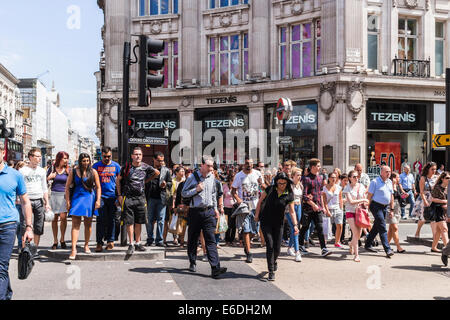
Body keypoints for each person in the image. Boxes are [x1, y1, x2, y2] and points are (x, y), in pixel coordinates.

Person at [181, 155, 227, 279]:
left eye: (212, 166)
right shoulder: (192, 177)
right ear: (202, 165)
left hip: (208, 212)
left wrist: (216, 209)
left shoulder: (212, 177)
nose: (211, 168)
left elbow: (213, 194)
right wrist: (196, 190)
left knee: (211, 240)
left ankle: (215, 268)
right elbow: (183, 193)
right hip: (195, 212)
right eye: (208, 166)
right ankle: (192, 261)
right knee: (193, 238)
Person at [0, 142, 34, 300]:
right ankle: (6, 295)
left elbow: (25, 201)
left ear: (2, 153)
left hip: (7, 224)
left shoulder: (15, 175)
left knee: (1, 266)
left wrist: (28, 227)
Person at [255, 172, 299, 281]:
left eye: (284, 183)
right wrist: (256, 215)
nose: (282, 185)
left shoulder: (289, 194)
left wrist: (295, 225)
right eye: (279, 183)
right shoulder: (270, 189)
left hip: (279, 223)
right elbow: (260, 201)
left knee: (277, 248)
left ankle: (274, 261)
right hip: (266, 220)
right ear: (276, 182)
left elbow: (292, 211)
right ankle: (271, 271)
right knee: (270, 245)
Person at [116, 147, 159, 255]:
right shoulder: (126, 167)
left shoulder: (146, 167)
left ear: (142, 156)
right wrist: (119, 195)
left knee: (139, 221)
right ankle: (131, 244)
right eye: (135, 154)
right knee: (129, 222)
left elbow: (156, 173)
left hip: (140, 197)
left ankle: (138, 243)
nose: (138, 156)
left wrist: (146, 181)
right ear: (132, 156)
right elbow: (118, 180)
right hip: (128, 197)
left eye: (139, 154)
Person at [65, 153, 101, 260]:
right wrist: (68, 201)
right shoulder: (74, 171)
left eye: (87, 160)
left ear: (90, 161)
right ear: (80, 161)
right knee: (75, 225)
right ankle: (73, 249)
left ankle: (86, 245)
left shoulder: (93, 172)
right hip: (77, 198)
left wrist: (98, 200)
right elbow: (67, 187)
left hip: (89, 198)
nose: (86, 163)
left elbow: (98, 187)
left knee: (88, 224)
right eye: (83, 160)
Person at [231, 157, 265, 263]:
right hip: (244, 207)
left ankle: (247, 244)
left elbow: (263, 187)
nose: (249, 165)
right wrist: (239, 200)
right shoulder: (239, 176)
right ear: (243, 164)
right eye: (247, 163)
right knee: (246, 229)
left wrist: (264, 183)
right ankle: (249, 253)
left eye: (251, 163)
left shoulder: (257, 174)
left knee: (254, 231)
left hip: (256, 206)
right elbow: (233, 191)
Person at [19, 148, 51, 254]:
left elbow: (44, 188)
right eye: (37, 156)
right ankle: (24, 250)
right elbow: (19, 187)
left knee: (38, 226)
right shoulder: (22, 171)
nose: (39, 158)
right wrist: (18, 199)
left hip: (39, 200)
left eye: (40, 156)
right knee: (25, 225)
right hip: (26, 200)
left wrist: (47, 203)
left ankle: (34, 250)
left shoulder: (42, 171)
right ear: (30, 157)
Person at [298, 158, 332, 257]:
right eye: (318, 166)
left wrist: (323, 207)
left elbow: (321, 193)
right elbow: (304, 195)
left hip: (318, 208)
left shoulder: (320, 178)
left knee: (320, 228)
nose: (320, 167)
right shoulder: (305, 179)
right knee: (305, 227)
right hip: (308, 208)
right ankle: (300, 245)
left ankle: (324, 248)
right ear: (312, 167)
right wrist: (313, 205)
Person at [92, 146, 122, 252]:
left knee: (112, 219)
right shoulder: (96, 166)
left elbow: (119, 182)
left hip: (113, 196)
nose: (107, 158)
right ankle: (99, 243)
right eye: (105, 156)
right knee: (100, 220)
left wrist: (119, 196)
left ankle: (110, 241)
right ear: (101, 156)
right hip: (100, 197)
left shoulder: (116, 166)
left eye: (109, 156)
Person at [365, 166, 395, 258]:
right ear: (381, 172)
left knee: (376, 227)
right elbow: (369, 196)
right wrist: (366, 208)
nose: (388, 173)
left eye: (389, 171)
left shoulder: (390, 182)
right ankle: (387, 249)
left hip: (385, 207)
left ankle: (368, 243)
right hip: (375, 206)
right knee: (382, 226)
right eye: (387, 171)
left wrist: (392, 209)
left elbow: (391, 196)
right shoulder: (374, 182)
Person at [145, 152, 172, 247]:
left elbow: (170, 183)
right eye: (159, 160)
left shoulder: (166, 170)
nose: (161, 162)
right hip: (150, 197)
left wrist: (166, 184)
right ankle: (149, 239)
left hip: (162, 198)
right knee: (150, 219)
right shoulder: (148, 169)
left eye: (162, 160)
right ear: (154, 159)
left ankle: (159, 240)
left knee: (161, 220)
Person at [47, 151, 70, 250]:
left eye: (67, 158)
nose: (66, 160)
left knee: (63, 218)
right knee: (54, 218)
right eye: (64, 158)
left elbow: (72, 184)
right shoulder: (52, 169)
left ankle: (62, 239)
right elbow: (44, 181)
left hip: (64, 195)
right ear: (59, 158)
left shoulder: (68, 170)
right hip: (54, 195)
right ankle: (55, 240)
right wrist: (49, 177)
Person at [343, 170, 368, 262]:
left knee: (359, 234)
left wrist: (365, 205)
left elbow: (364, 198)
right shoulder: (347, 188)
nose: (356, 178)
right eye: (354, 177)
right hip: (350, 211)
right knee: (355, 232)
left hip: (360, 211)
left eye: (357, 176)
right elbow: (351, 202)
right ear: (350, 178)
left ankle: (351, 243)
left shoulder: (361, 186)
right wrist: (363, 200)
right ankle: (356, 255)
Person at [411, 162, 438, 238]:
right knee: (423, 218)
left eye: (435, 169)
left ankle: (435, 235)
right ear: (428, 169)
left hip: (433, 198)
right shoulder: (423, 178)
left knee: (434, 218)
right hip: (424, 198)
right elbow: (421, 191)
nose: (434, 171)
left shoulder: (436, 177)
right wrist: (425, 201)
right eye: (432, 169)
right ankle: (418, 231)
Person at [322, 172, 344, 248]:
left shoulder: (339, 187)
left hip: (337, 208)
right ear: (329, 178)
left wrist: (341, 209)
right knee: (327, 226)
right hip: (329, 208)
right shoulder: (325, 188)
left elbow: (340, 198)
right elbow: (324, 201)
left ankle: (337, 241)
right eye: (332, 177)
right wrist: (327, 210)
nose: (334, 179)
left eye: (335, 177)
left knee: (340, 225)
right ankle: (324, 241)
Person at [286, 168, 303, 261]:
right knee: (294, 228)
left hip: (298, 206)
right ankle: (297, 252)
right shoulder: (289, 186)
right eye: (297, 175)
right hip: (289, 209)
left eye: (300, 175)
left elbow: (300, 197)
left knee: (296, 228)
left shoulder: (300, 185)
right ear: (293, 176)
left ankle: (289, 248)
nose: (299, 177)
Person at [430, 171, 449, 253]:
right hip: (438, 210)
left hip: (446, 211)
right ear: (442, 179)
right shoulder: (437, 187)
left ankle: (434, 247)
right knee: (444, 229)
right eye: (447, 178)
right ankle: (447, 250)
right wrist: (445, 201)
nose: (449, 179)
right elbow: (432, 199)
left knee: (438, 231)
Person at [387, 172, 406, 253]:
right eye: (398, 177)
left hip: (397, 207)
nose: (399, 179)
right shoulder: (388, 185)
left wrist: (404, 195)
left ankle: (386, 244)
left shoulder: (398, 186)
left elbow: (399, 196)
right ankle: (398, 247)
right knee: (394, 227)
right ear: (393, 178)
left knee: (391, 229)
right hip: (389, 206)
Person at [223, 171, 237, 246]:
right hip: (226, 207)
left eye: (233, 179)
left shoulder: (236, 186)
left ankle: (232, 239)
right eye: (231, 179)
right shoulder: (225, 186)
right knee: (227, 224)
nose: (232, 181)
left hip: (234, 207)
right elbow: (222, 196)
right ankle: (227, 240)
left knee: (233, 224)